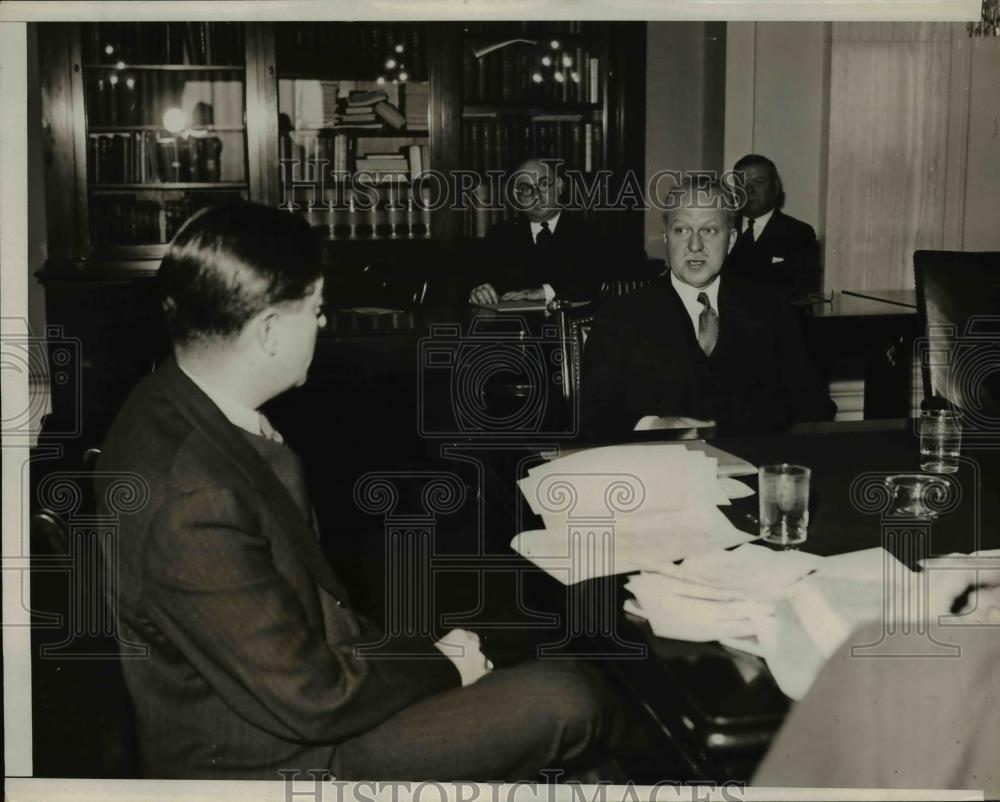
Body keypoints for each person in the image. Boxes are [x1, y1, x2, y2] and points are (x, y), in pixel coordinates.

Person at [96, 202, 620, 780]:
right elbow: (313, 698)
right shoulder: (193, 503)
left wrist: (428, 658)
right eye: (315, 311)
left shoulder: (171, 396)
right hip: (278, 759)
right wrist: (441, 665)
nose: (323, 325)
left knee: (517, 636)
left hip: (293, 683)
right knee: (571, 696)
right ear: (268, 331)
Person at [580, 178, 835, 439]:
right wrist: (652, 426)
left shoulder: (772, 309)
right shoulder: (620, 316)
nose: (695, 246)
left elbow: (813, 405)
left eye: (709, 230)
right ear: (666, 236)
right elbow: (594, 414)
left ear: (732, 239)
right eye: (682, 230)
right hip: (660, 466)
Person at [468, 158, 605, 305]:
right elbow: (476, 280)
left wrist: (544, 292)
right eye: (526, 189)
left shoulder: (588, 234)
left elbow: (594, 283)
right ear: (516, 197)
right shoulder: (499, 236)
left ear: (559, 185)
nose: (536, 196)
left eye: (544, 184)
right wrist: (478, 292)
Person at [726, 154, 820, 298]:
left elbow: (800, 291)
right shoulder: (723, 230)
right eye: (742, 183)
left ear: (776, 187)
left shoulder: (799, 233)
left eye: (759, 181)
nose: (750, 190)